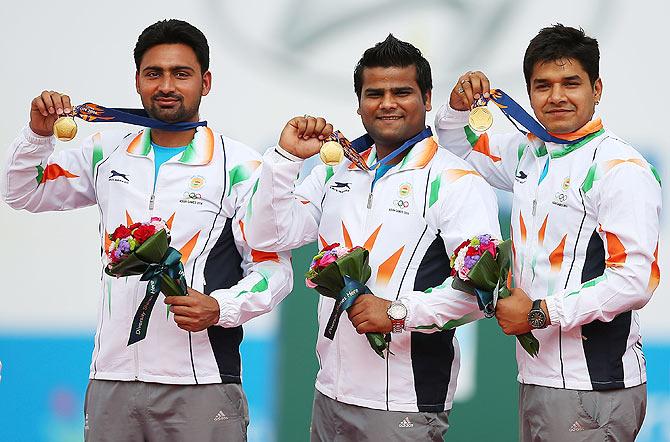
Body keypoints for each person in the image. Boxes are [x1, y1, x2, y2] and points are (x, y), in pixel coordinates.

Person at [1, 19, 293, 441]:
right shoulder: (107, 152)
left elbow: (274, 269)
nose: (166, 85)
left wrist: (220, 307)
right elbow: (23, 192)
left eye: (181, 73)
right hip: (112, 377)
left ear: (205, 82)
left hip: (202, 381)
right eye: (153, 73)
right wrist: (38, 134)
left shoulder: (241, 167)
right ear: (137, 81)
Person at [243, 34, 501, 441]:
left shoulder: (456, 181)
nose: (387, 103)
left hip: (406, 402)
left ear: (428, 99)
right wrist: (286, 160)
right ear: (359, 103)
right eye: (374, 93)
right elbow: (271, 236)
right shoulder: (335, 171)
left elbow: (481, 295)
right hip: (330, 391)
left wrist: (398, 312)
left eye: (402, 92)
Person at [435, 24, 661, 441]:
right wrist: (456, 107)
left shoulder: (619, 169)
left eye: (570, 83)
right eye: (543, 85)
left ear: (597, 88)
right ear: (530, 93)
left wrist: (540, 312)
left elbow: (633, 281)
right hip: (539, 377)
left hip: (593, 384)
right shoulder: (529, 151)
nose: (556, 96)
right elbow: (455, 147)